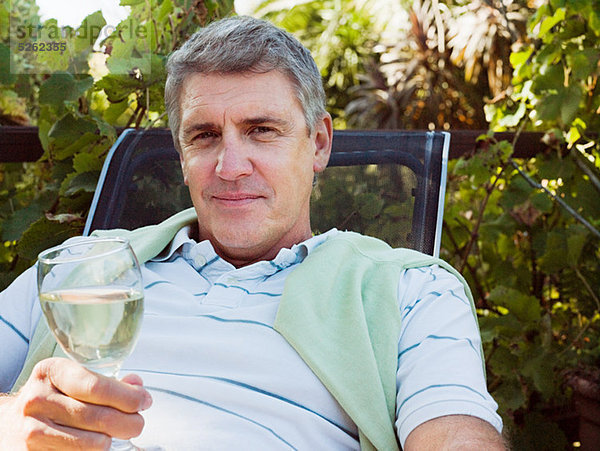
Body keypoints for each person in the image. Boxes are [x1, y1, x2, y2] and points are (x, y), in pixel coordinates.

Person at [0, 15, 505, 450]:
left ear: (319, 144)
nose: (231, 166)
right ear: (181, 156)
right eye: (204, 135)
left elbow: (453, 430)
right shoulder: (80, 269)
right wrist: (14, 421)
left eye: (262, 130)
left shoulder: (409, 291)